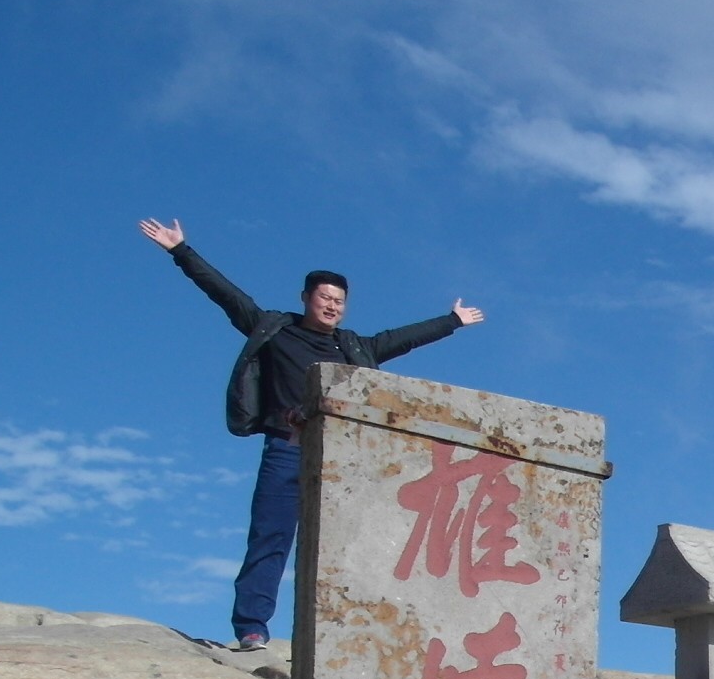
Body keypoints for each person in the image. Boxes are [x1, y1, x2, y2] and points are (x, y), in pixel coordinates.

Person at [141, 219, 484, 649]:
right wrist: (181, 251)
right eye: (324, 297)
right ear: (306, 298)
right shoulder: (275, 329)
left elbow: (402, 339)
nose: (332, 306)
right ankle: (251, 626)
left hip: (343, 462)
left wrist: (451, 320)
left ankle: (341, 634)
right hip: (287, 450)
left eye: (339, 301)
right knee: (270, 538)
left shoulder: (355, 346)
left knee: (346, 545)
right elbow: (227, 295)